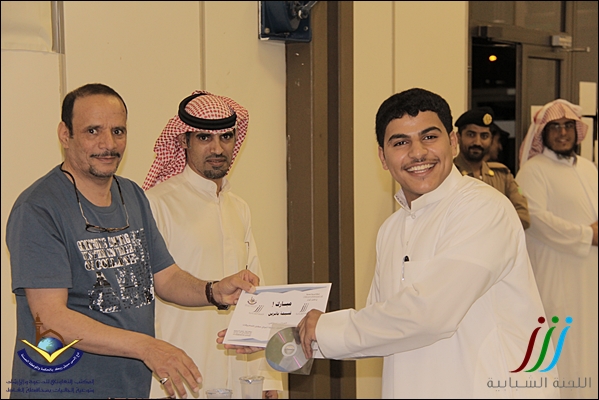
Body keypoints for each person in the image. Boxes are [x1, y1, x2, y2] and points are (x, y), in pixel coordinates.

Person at [286, 88, 558, 398]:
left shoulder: (482, 208)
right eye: (400, 142)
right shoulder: (391, 229)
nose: (417, 153)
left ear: (452, 142)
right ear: (383, 157)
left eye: (429, 137)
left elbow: (430, 315)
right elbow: (381, 327)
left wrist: (324, 328)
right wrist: (292, 337)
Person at [6, 83, 259, 399]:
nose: (108, 144)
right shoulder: (39, 208)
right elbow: (51, 319)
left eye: (118, 131)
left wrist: (214, 291)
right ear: (64, 134)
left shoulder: (132, 195)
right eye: (93, 131)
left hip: (127, 389)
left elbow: (166, 278)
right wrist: (147, 347)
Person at [143, 90, 283, 399]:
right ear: (184, 140)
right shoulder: (156, 204)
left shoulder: (239, 208)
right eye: (205, 138)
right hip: (177, 380)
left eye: (226, 137)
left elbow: (257, 295)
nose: (217, 148)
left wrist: (267, 378)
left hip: (240, 376)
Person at [516, 99, 598, 399]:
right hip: (557, 279)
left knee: (589, 349)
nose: (562, 133)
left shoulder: (588, 168)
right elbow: (536, 220)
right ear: (543, 133)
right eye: (555, 127)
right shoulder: (533, 171)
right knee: (563, 351)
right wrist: (586, 235)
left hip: (590, 279)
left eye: (567, 126)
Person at [454, 107, 530, 229]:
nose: (477, 142)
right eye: (471, 135)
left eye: (484, 136)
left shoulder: (502, 175)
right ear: (458, 137)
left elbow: (523, 217)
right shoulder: (448, 174)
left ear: (490, 139)